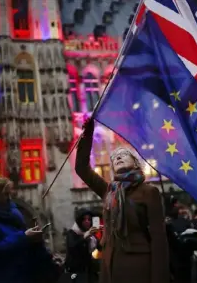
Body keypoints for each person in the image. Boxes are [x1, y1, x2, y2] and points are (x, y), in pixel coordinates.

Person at [75, 118, 170, 283]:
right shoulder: (109, 191)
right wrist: (88, 133)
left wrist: (159, 278)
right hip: (110, 268)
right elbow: (81, 168)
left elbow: (159, 240)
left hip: (139, 268)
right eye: (115, 158)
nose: (118, 157)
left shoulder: (149, 192)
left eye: (124, 155)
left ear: (135, 163)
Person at [0, 177, 59, 283]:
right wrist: (24, 237)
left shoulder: (11, 216)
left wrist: (35, 242)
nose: (9, 199)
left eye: (9, 194)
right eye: (5, 194)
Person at [64, 209, 99, 283]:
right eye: (84, 219)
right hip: (75, 272)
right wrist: (84, 237)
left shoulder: (91, 236)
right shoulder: (72, 233)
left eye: (89, 219)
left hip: (89, 271)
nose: (87, 221)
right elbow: (72, 247)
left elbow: (98, 247)